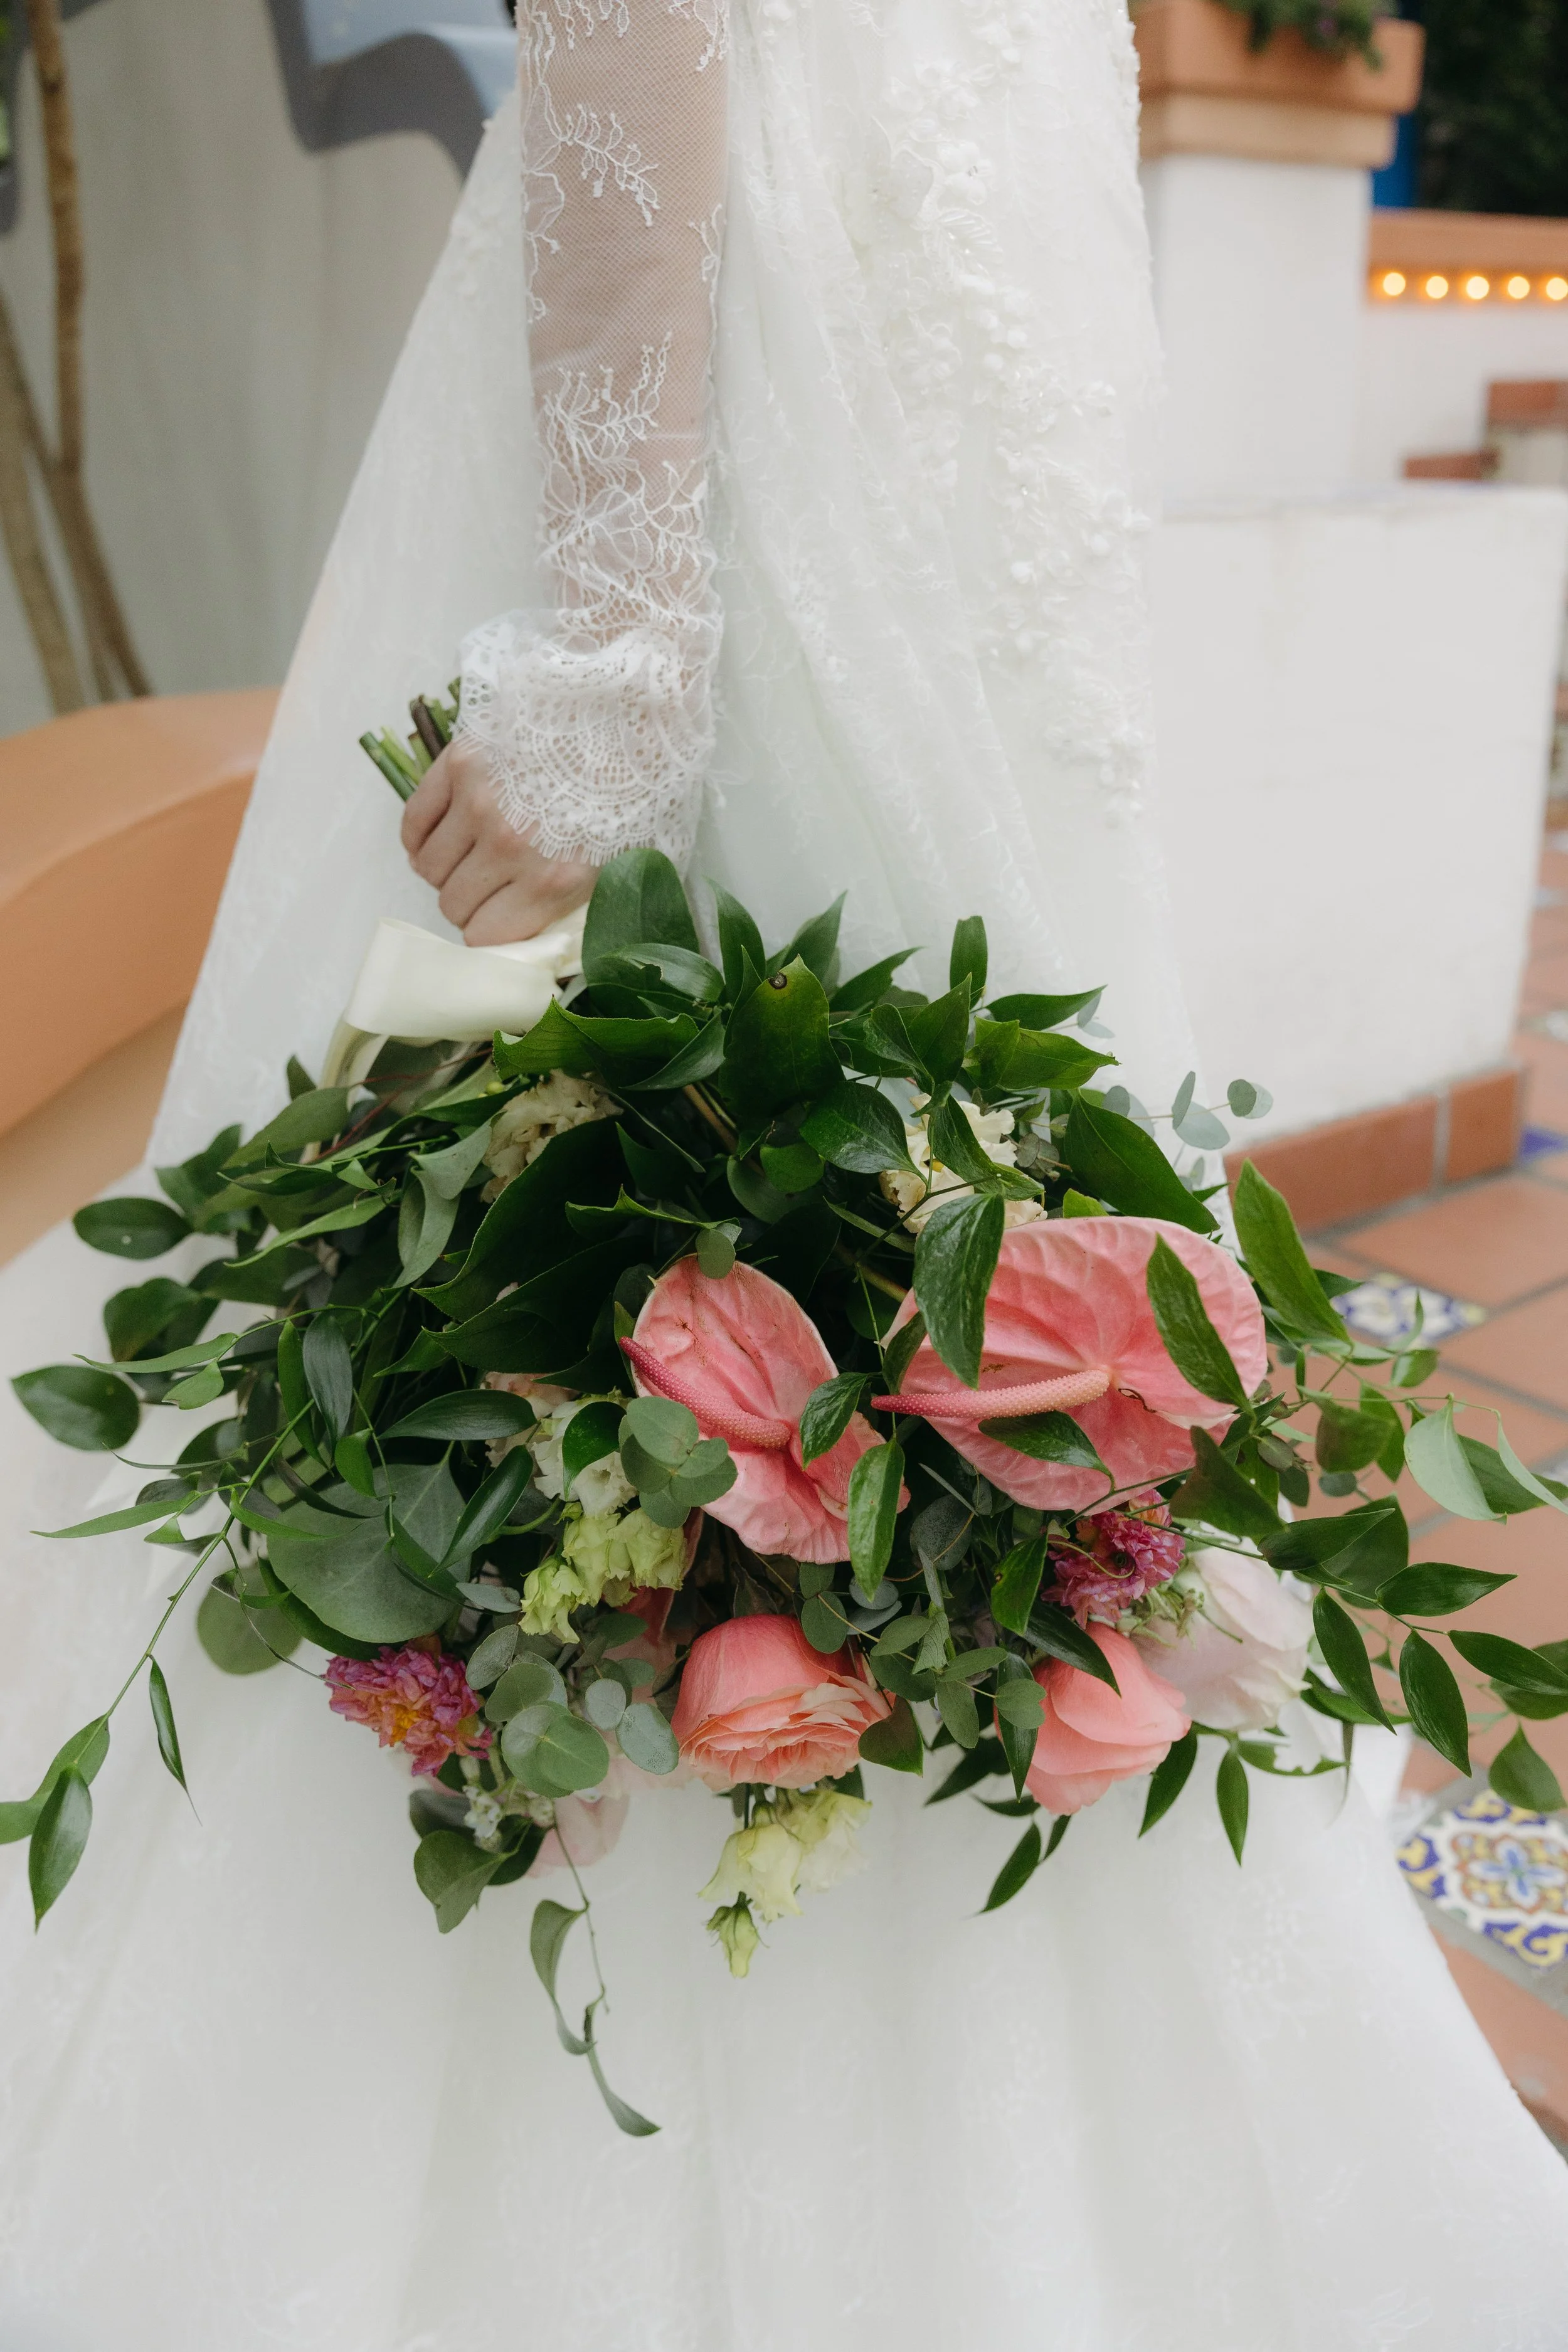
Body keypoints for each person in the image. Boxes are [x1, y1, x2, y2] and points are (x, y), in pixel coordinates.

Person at [1, 4, 1565, 2344]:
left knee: (986, 1272)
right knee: (633, 1266)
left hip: (946, 481)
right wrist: (630, 636)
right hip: (769, 432)